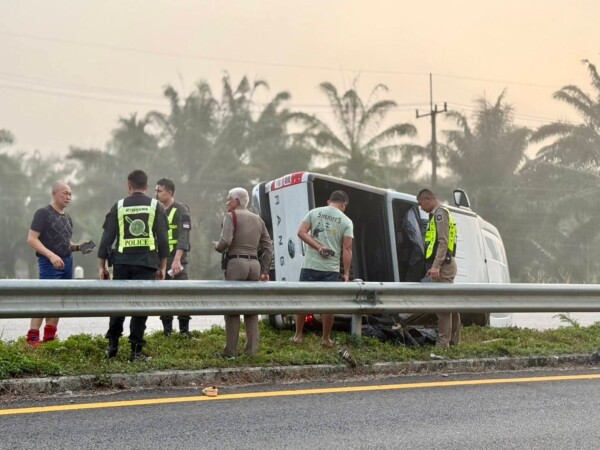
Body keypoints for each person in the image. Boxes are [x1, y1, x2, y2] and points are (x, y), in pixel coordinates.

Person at [98, 169, 169, 362]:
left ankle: (112, 348)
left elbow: (107, 238)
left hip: (121, 263)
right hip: (146, 264)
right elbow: (163, 239)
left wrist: (102, 266)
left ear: (128, 186)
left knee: (118, 305)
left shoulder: (119, 206)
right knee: (140, 306)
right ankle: (136, 351)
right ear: (146, 187)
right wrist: (163, 267)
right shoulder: (156, 206)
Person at [26, 182, 92, 345]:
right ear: (54, 194)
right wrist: (51, 255)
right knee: (45, 299)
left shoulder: (67, 217)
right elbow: (32, 239)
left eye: (70, 194)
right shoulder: (43, 213)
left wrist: (79, 247)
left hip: (67, 262)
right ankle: (32, 340)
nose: (68, 197)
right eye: (64, 193)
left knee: (59, 300)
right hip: (49, 263)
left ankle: (49, 339)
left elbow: (64, 243)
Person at [214, 187, 273, 358]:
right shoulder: (258, 219)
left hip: (236, 263)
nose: (227, 203)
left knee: (232, 308)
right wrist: (265, 270)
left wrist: (217, 246)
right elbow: (268, 247)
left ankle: (230, 352)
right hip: (254, 265)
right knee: (251, 309)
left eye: (228, 199)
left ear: (237, 201)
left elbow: (226, 241)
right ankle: (251, 351)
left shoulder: (230, 216)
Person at [292, 190, 354, 347]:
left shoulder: (314, 212)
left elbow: (301, 233)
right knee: (329, 305)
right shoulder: (347, 221)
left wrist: (318, 247)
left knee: (303, 302)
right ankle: (325, 339)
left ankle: (298, 336)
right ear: (344, 204)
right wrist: (346, 273)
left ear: (329, 201)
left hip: (310, 266)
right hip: (331, 270)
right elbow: (347, 249)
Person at [417, 188, 459, 348]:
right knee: (451, 305)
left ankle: (443, 345)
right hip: (446, 264)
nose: (421, 208)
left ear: (428, 199)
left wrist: (436, 266)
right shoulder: (442, 213)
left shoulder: (440, 214)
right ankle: (453, 342)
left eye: (421, 203)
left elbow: (443, 242)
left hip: (444, 266)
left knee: (443, 308)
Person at [155, 178, 192, 337]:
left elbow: (184, 236)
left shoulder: (181, 210)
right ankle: (167, 332)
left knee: (183, 294)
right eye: (155, 191)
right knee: (164, 296)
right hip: (160, 261)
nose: (156, 194)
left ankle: (184, 331)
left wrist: (177, 260)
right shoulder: (156, 209)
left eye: (159, 191)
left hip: (177, 260)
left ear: (170, 192)